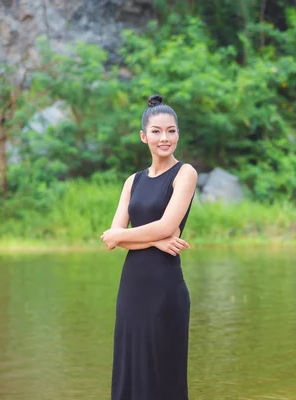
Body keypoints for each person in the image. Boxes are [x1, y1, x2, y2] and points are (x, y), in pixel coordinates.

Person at [100, 94, 197, 400]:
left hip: (165, 289)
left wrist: (134, 235)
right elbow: (111, 237)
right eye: (156, 131)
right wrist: (155, 239)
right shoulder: (133, 181)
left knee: (163, 374)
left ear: (178, 134)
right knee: (131, 370)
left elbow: (167, 226)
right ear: (144, 137)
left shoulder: (185, 173)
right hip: (132, 290)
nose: (164, 138)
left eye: (171, 131)